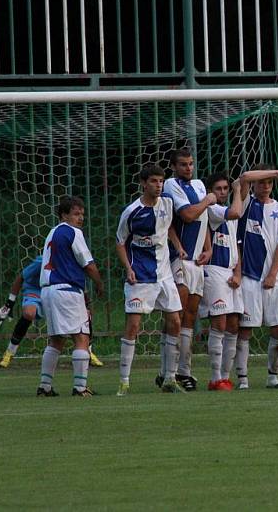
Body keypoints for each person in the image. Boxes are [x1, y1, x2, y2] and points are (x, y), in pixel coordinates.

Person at [115, 165, 188, 395]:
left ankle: (169, 378)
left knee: (175, 322)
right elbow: (119, 242)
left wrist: (178, 246)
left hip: (165, 274)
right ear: (143, 183)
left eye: (161, 181)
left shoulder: (167, 203)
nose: (158, 185)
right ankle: (124, 381)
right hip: (141, 276)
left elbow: (167, 230)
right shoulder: (132, 211)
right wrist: (128, 268)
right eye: (154, 181)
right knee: (134, 326)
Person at [36, 196, 105, 397]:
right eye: (76, 214)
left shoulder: (52, 233)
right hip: (66, 290)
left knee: (56, 339)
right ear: (63, 215)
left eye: (82, 214)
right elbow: (88, 264)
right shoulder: (73, 232)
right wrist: (99, 284)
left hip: (48, 290)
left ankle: (45, 386)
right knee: (82, 337)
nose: (80, 218)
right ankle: (80, 387)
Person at [161, 148, 217, 391]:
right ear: (173, 166)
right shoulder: (172, 185)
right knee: (177, 315)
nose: (188, 168)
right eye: (183, 164)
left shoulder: (199, 184)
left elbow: (203, 220)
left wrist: (209, 247)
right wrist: (208, 200)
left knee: (190, 317)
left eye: (191, 164)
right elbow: (187, 216)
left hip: (197, 261)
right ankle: (167, 372)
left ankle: (184, 371)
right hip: (179, 259)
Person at [236, 165, 278, 389]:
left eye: (270, 182)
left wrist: (272, 274)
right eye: (263, 181)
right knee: (246, 330)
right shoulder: (246, 204)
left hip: (272, 278)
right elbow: (244, 177)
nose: (266, 186)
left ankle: (272, 376)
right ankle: (242, 379)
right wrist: (276, 172)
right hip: (249, 277)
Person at [0, 255, 104, 368]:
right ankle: (9, 352)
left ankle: (88, 352)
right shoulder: (42, 261)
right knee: (29, 313)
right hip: (35, 291)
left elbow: (77, 282)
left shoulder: (69, 262)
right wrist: (9, 304)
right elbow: (21, 277)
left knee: (85, 314)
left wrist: (85, 304)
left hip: (56, 292)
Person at [199, 172, 245, 391]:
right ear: (210, 191)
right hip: (214, 270)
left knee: (234, 324)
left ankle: (225, 377)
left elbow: (236, 247)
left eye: (226, 188)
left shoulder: (228, 214)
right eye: (218, 189)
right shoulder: (213, 210)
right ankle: (215, 377)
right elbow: (236, 211)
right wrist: (238, 189)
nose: (223, 192)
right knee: (219, 323)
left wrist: (238, 273)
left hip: (230, 271)